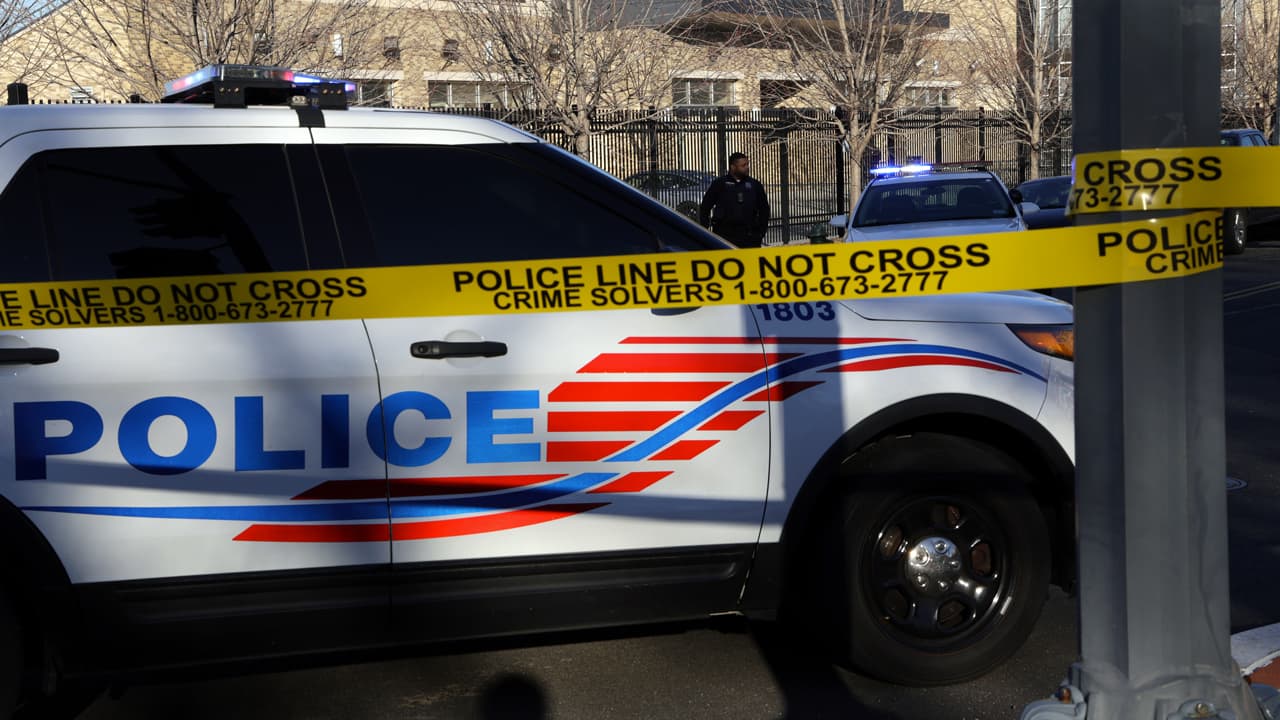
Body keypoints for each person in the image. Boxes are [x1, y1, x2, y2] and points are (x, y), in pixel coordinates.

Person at [699, 152, 770, 248]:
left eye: (747, 164)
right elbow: (705, 206)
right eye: (743, 165)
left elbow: (764, 209)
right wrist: (705, 228)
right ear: (733, 167)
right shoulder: (720, 184)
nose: (747, 167)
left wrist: (760, 233)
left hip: (749, 236)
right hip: (724, 236)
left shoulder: (754, 185)